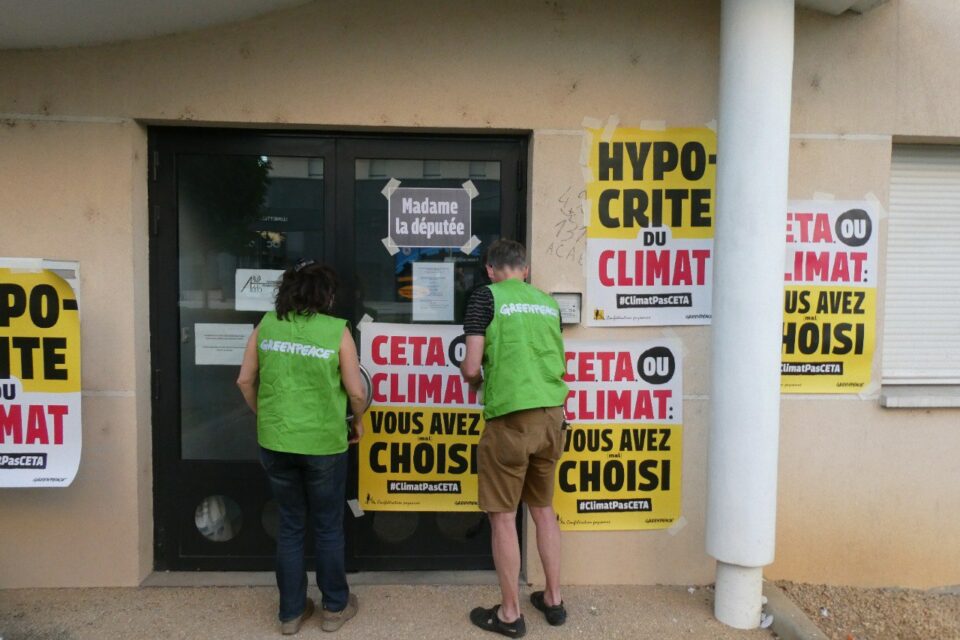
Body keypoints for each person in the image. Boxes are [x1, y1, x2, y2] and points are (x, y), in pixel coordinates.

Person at [237, 259, 366, 635]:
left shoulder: (266, 325)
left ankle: (291, 614)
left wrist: (266, 414)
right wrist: (356, 419)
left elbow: (245, 380)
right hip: (324, 442)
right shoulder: (336, 331)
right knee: (327, 527)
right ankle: (334, 608)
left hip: (276, 440)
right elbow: (356, 391)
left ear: (287, 292)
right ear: (326, 295)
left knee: (291, 526)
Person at [460, 239, 570, 638]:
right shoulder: (547, 303)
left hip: (510, 420)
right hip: (551, 416)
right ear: (524, 269)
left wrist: (470, 374)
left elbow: (473, 365)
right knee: (543, 510)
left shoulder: (484, 299)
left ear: (491, 270)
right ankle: (553, 599)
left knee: (503, 518)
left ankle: (509, 614)